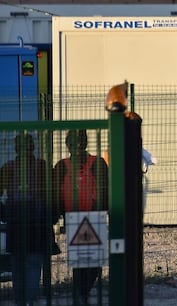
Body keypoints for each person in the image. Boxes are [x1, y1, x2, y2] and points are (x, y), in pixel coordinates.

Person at [53, 129, 109, 305]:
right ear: (67, 145)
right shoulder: (62, 166)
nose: (77, 145)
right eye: (73, 142)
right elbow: (56, 194)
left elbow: (105, 190)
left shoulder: (98, 163)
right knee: (80, 259)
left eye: (80, 141)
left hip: (93, 217)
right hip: (73, 218)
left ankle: (82, 292)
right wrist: (59, 215)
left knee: (93, 261)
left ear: (85, 143)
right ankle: (81, 294)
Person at [0, 133, 54, 306]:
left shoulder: (8, 167)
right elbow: (51, 194)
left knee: (17, 264)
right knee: (33, 263)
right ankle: (30, 301)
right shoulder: (42, 166)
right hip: (37, 223)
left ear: (16, 148)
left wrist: (4, 214)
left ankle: (19, 301)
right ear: (33, 147)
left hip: (15, 223)